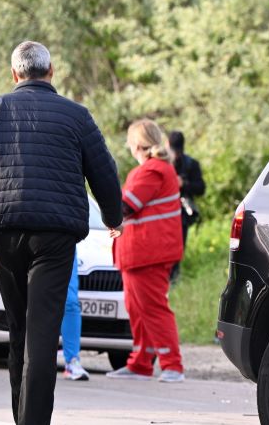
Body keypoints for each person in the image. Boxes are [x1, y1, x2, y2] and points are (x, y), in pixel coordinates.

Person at [0, 41, 122, 425]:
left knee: (19, 327)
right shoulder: (77, 116)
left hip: (5, 231)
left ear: (14, 74)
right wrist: (114, 217)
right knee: (41, 333)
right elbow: (104, 171)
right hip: (55, 237)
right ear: (51, 70)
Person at [106, 119, 185, 382]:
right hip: (138, 252)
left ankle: (172, 364)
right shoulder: (156, 169)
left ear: (137, 144)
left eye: (129, 143)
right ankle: (140, 363)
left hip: (147, 252)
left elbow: (126, 205)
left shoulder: (151, 171)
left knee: (152, 308)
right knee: (137, 308)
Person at [167, 130, 204, 281]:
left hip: (181, 214)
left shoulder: (191, 165)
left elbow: (201, 188)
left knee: (177, 249)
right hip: (164, 212)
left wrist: (183, 184)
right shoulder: (163, 163)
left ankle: (173, 280)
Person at [60, 250, 89, 381]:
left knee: (70, 302)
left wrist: (114, 227)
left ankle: (72, 361)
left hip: (63, 240)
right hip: (27, 237)